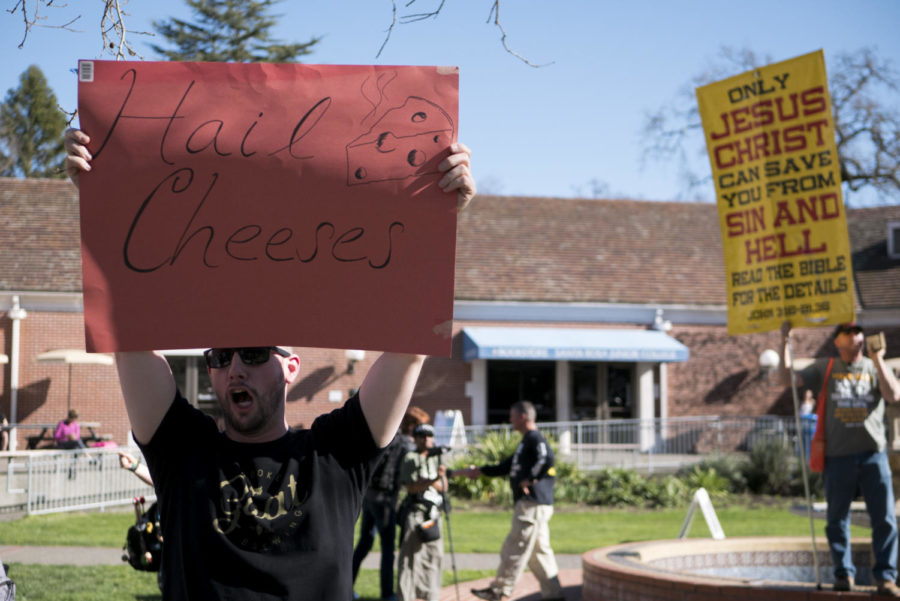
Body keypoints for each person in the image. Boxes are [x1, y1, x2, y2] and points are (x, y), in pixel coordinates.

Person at [64, 127, 475, 601]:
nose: (235, 367)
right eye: (220, 357)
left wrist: (438, 218)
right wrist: (100, 196)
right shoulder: (183, 452)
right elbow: (127, 326)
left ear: (292, 367)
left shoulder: (335, 454)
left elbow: (411, 340)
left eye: (255, 354)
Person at [782, 322, 900, 595]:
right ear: (838, 342)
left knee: (884, 519)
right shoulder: (827, 367)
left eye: (858, 336)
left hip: (873, 455)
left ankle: (886, 578)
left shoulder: (873, 367)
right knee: (837, 519)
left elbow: (893, 395)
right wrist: (783, 340)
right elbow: (786, 379)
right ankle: (843, 575)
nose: (856, 340)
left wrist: (878, 360)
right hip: (838, 458)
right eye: (849, 336)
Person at [457, 401, 564, 601]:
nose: (510, 420)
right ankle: (554, 595)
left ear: (523, 417)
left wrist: (530, 479)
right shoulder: (525, 442)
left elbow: (547, 459)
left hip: (531, 504)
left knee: (514, 546)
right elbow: (505, 467)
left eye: (512, 416)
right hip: (533, 505)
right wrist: (479, 471)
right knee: (539, 553)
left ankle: (498, 590)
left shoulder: (534, 438)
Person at [351, 406, 429, 601]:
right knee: (388, 549)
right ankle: (387, 594)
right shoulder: (408, 446)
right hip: (385, 500)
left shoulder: (389, 438)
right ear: (412, 427)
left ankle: (345, 585)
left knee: (364, 543)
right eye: (420, 428)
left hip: (370, 496)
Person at [396, 423, 446, 601]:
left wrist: (439, 477)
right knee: (410, 558)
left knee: (434, 557)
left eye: (430, 436)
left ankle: (429, 595)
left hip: (433, 514)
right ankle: (406, 596)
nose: (427, 440)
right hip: (415, 512)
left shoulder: (437, 457)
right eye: (422, 437)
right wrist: (432, 479)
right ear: (415, 439)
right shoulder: (410, 458)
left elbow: (443, 487)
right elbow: (411, 487)